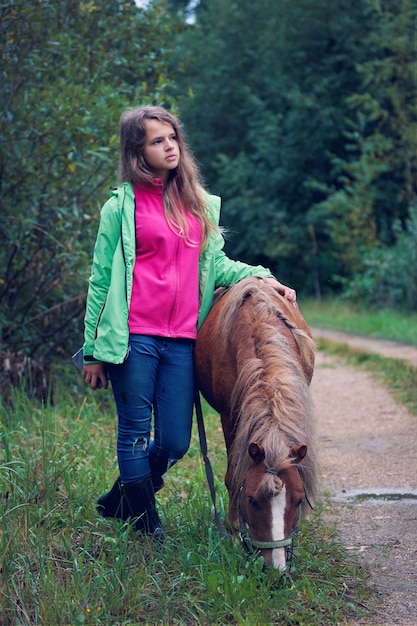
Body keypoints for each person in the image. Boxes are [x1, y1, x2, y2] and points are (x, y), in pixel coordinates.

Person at [81, 105, 297, 539]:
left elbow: (216, 264)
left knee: (175, 441)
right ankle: (146, 525)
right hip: (134, 338)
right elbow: (101, 280)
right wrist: (92, 351)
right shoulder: (120, 208)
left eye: (173, 138)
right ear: (138, 152)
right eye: (157, 141)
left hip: (181, 340)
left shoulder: (196, 205)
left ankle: (125, 496)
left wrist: (264, 278)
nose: (169, 146)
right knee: (136, 433)